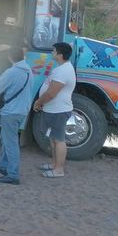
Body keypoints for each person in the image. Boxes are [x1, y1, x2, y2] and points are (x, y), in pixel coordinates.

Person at [0, 47, 34, 185]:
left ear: (10, 57)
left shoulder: (11, 72)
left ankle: (13, 174)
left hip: (10, 111)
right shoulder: (28, 70)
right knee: (6, 138)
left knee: (10, 143)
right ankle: (2, 165)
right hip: (21, 111)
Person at [33, 42, 76, 178]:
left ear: (60, 54)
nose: (52, 53)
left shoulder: (63, 71)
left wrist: (38, 102)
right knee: (53, 139)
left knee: (58, 140)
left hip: (58, 110)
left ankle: (59, 170)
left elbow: (52, 93)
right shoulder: (62, 68)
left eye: (54, 51)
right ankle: (54, 164)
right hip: (53, 109)